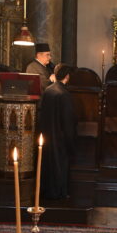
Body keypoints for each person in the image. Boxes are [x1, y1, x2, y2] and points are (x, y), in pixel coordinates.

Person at [38, 63, 77, 199]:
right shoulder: (64, 94)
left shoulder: (48, 90)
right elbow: (68, 122)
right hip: (60, 138)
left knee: (48, 165)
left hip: (46, 136)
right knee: (60, 166)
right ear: (67, 76)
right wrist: (71, 143)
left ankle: (46, 191)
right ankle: (59, 193)